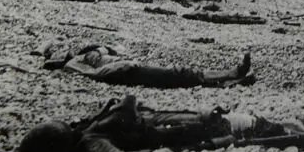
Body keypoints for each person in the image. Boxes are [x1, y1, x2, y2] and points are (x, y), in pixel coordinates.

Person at [17, 94, 304, 152]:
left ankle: (298, 133)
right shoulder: (91, 142)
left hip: (176, 129)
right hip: (179, 140)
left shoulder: (86, 132)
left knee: (245, 125)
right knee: (245, 134)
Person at [41, 43, 255, 89]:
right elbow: (98, 67)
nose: (65, 47)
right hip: (125, 71)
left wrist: (97, 51)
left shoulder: (80, 56)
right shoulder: (71, 63)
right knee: (178, 74)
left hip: (125, 68)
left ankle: (228, 79)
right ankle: (232, 74)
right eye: (59, 48)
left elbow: (106, 49)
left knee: (177, 76)